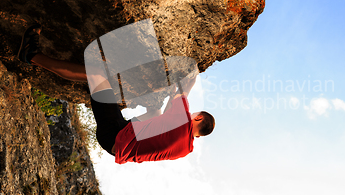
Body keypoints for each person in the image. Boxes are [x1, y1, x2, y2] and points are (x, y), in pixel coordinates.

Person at [17, 24, 215, 163]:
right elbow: (162, 118)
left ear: (197, 118)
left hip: (115, 135)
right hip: (119, 144)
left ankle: (31, 55)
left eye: (192, 114)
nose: (189, 115)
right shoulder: (184, 149)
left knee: (97, 74)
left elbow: (180, 93)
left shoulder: (182, 125)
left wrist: (191, 76)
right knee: (154, 112)